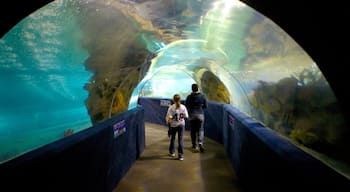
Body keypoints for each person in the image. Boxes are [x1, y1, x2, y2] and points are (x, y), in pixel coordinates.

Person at [165, 94, 189, 161]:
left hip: (173, 125)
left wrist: (169, 127)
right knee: (180, 139)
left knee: (173, 138)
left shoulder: (171, 107)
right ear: (180, 99)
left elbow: (169, 118)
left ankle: (172, 152)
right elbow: (186, 116)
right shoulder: (183, 107)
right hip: (181, 124)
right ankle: (180, 155)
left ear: (173, 100)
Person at [185, 83, 207, 153]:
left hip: (192, 115)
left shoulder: (189, 97)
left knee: (193, 131)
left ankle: (194, 145)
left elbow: (186, 106)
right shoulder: (202, 96)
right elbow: (205, 106)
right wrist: (200, 107)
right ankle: (200, 143)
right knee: (201, 130)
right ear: (198, 88)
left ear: (192, 89)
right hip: (200, 114)